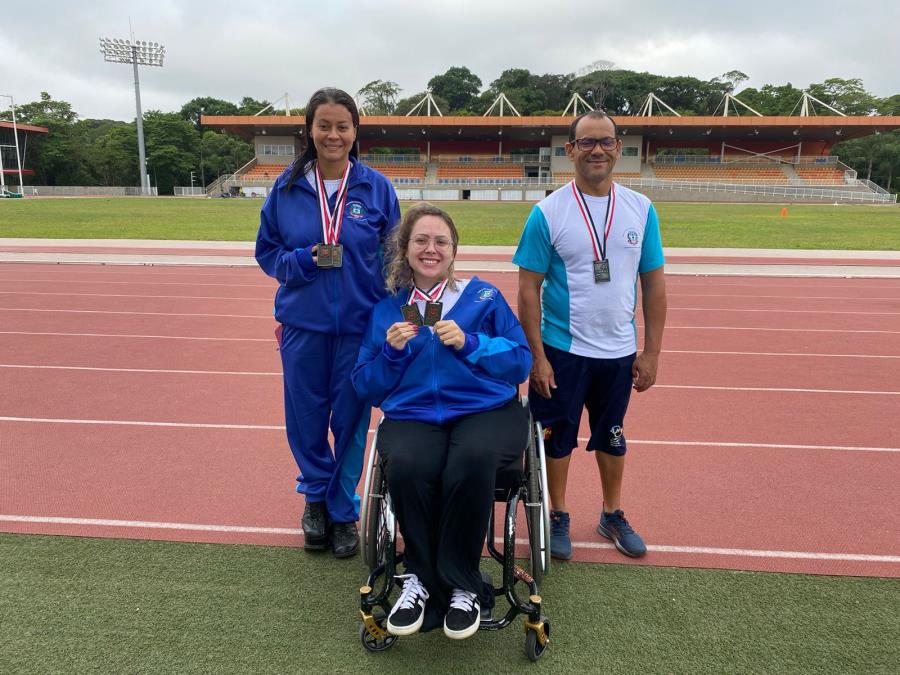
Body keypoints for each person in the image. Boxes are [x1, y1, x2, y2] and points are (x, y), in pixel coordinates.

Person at [352, 203, 531, 640]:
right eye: (421, 240)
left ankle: (462, 583)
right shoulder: (388, 310)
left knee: (472, 458)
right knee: (409, 464)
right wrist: (391, 355)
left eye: (440, 241)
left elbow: (520, 361)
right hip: (414, 414)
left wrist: (471, 343)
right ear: (405, 248)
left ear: (453, 251)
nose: (430, 249)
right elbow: (365, 385)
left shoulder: (483, 296)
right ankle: (421, 579)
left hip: (484, 410)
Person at [513, 110, 667, 560]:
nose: (596, 150)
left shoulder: (641, 209)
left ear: (618, 148)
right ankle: (558, 514)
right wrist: (537, 357)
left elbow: (654, 284)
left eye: (605, 141)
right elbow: (528, 289)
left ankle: (611, 513)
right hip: (562, 350)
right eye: (586, 142)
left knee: (613, 436)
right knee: (556, 438)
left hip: (619, 352)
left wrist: (652, 352)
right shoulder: (548, 213)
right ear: (570, 150)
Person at [256, 87, 400, 558]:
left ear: (355, 132)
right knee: (306, 419)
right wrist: (303, 260)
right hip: (303, 325)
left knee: (353, 421)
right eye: (324, 125)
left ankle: (342, 509)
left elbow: (395, 259)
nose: (333, 134)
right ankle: (315, 499)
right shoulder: (287, 188)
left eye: (342, 126)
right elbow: (267, 253)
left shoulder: (377, 189)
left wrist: (392, 315)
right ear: (310, 131)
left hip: (360, 328)